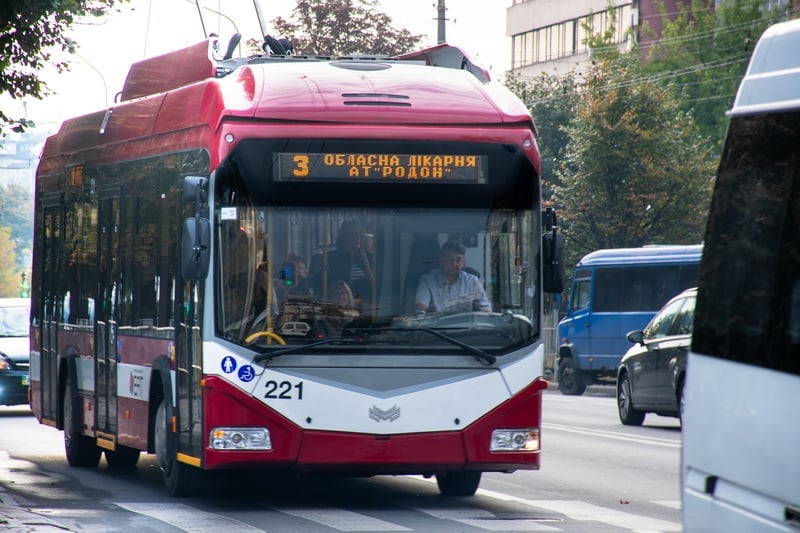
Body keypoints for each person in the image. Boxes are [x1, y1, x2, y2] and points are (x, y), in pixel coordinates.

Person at [415, 240, 491, 313]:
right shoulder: (427, 280)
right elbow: (421, 307)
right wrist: (422, 310)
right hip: (435, 325)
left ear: (463, 262)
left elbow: (486, 310)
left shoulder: (472, 281)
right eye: (450, 260)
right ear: (441, 260)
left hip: (466, 325)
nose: (454, 264)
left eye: (458, 260)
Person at [311, 220, 375, 304]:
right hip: (339, 304)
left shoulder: (370, 258)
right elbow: (317, 286)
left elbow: (377, 285)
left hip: (368, 305)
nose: (357, 237)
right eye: (353, 234)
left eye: (359, 234)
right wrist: (319, 273)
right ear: (343, 236)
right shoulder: (328, 257)